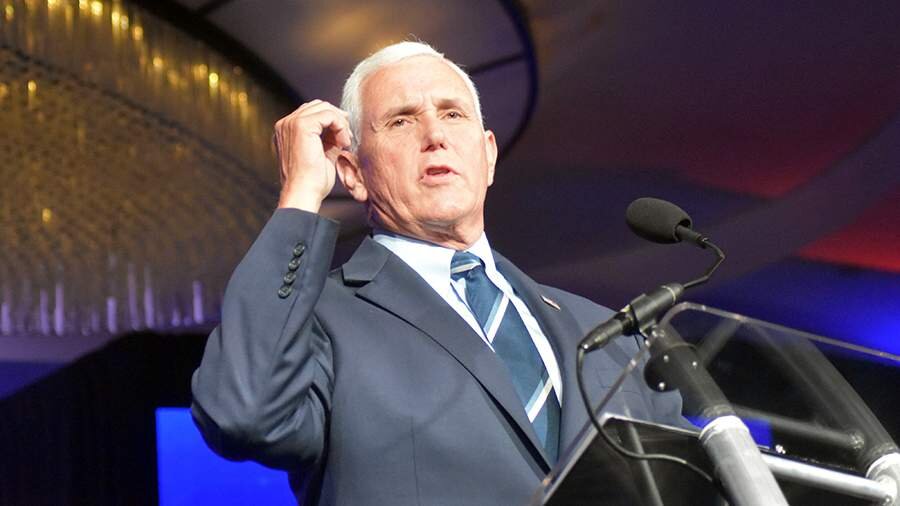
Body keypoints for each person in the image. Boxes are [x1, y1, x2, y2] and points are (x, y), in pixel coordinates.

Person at [191, 41, 684, 505]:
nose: (435, 136)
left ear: (488, 155)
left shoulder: (610, 332)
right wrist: (301, 193)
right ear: (353, 173)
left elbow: (687, 482)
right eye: (401, 121)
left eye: (452, 114)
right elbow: (243, 413)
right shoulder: (319, 321)